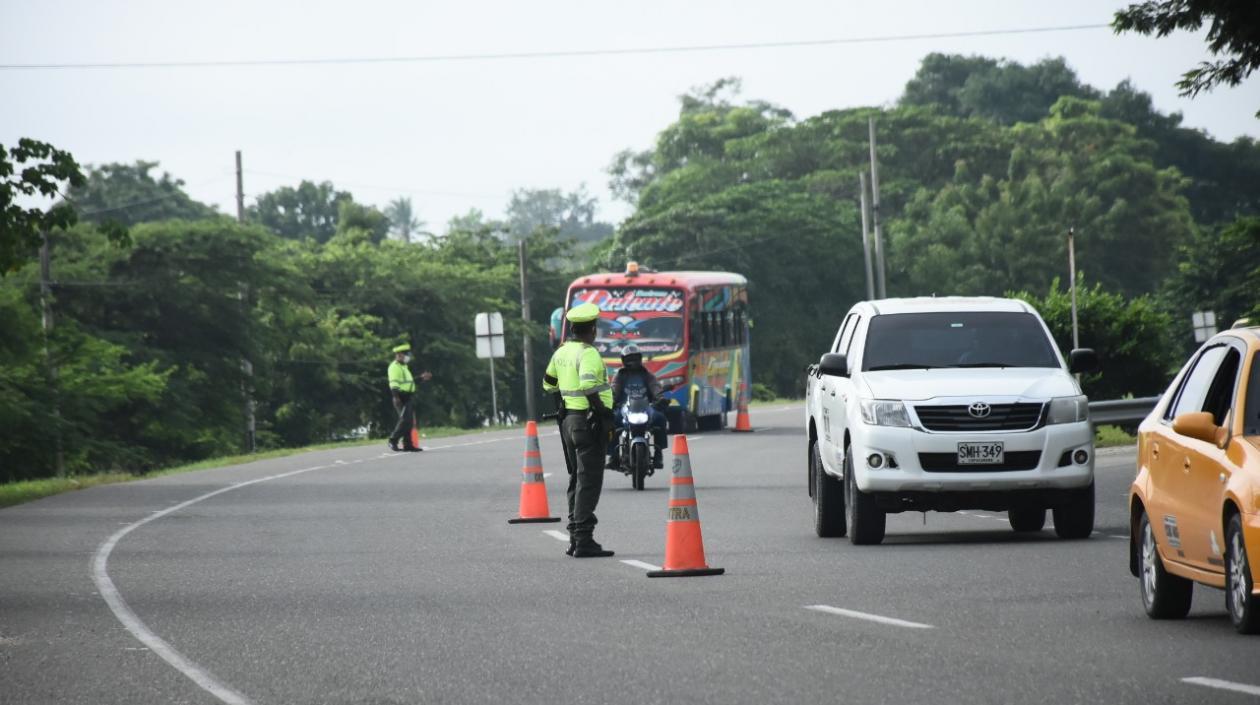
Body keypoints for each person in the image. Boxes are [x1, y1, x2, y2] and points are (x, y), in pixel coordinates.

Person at [542, 302, 615, 558]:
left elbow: (548, 384)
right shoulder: (588, 353)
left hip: (569, 423)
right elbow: (588, 386)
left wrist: (565, 399)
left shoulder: (561, 352)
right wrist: (603, 412)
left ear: (572, 329)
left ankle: (574, 537)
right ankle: (583, 539)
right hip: (587, 422)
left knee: (576, 479)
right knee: (589, 481)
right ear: (592, 329)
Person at [608, 344, 668, 470]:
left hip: (646, 408)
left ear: (640, 359)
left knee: (660, 418)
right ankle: (613, 456)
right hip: (625, 409)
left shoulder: (647, 375)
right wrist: (611, 401)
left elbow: (655, 387)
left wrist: (660, 398)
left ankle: (658, 454)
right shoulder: (620, 375)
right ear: (623, 360)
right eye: (629, 359)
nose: (633, 362)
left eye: (635, 358)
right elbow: (614, 389)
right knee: (610, 421)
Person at [387, 343, 432, 452]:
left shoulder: (404, 367)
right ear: (399, 355)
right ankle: (393, 440)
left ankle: (408, 444)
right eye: (406, 354)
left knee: (409, 421)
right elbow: (393, 383)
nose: (408, 356)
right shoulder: (394, 367)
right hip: (400, 396)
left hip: (407, 396)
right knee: (405, 420)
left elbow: (410, 382)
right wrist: (396, 397)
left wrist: (421, 378)